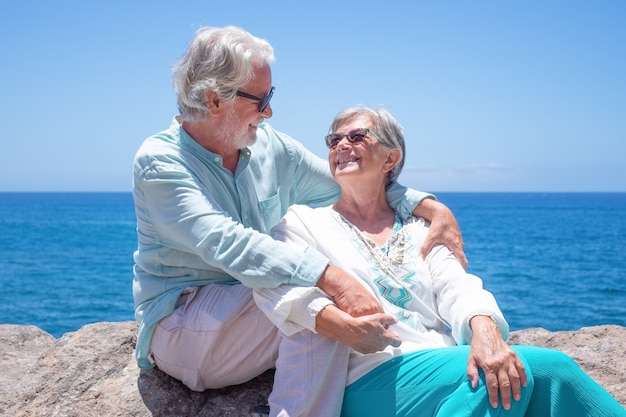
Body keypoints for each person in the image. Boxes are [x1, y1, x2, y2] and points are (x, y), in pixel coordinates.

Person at [131, 25, 467, 398]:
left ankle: (421, 376)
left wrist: (424, 204)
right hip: (185, 325)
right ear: (214, 100)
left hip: (260, 302)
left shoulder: (268, 146)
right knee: (319, 311)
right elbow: (225, 243)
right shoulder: (160, 162)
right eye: (261, 99)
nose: (270, 111)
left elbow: (348, 183)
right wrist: (332, 277)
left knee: (319, 305)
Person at [254, 105, 626, 417]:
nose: (341, 146)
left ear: (390, 158)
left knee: (526, 378)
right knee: (528, 371)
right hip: (366, 376)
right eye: (334, 140)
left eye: (356, 137)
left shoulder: (420, 226)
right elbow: (275, 283)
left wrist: (484, 328)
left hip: (440, 365)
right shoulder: (301, 222)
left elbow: (457, 285)